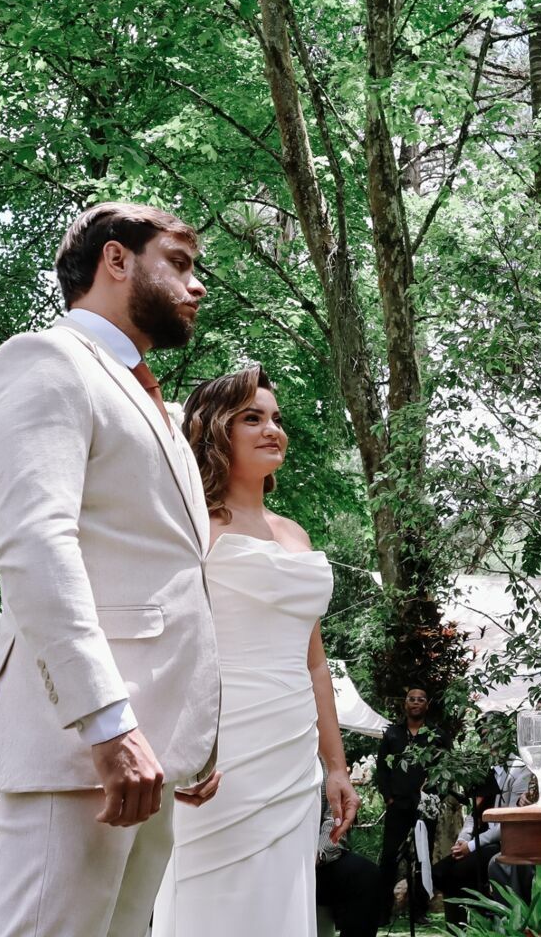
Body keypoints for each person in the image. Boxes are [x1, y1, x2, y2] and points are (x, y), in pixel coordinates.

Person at [0, 202, 223, 937]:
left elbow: (169, 576)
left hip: (151, 750)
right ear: (117, 260)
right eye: (178, 261)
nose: (196, 284)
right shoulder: (44, 361)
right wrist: (108, 726)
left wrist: (196, 733)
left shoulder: (154, 405)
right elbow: (35, 548)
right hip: (79, 745)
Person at [153, 365, 358, 935]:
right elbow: (172, 643)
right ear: (216, 429)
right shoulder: (191, 527)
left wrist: (335, 765)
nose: (273, 429)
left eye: (276, 418)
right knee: (214, 897)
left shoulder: (295, 533)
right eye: (253, 418)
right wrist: (183, 749)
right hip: (222, 742)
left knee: (281, 897)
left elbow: (314, 660)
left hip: (292, 752)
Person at [433, 754, 530, 923]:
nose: (487, 743)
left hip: (501, 842)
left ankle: (485, 914)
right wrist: (462, 840)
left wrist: (470, 847)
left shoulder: (520, 770)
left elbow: (511, 823)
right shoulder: (486, 769)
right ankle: (467, 922)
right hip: (480, 838)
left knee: (460, 872)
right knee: (439, 873)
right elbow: (474, 813)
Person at [373, 686, 441, 923]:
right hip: (398, 804)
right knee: (390, 857)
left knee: (424, 856)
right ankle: (383, 912)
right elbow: (382, 768)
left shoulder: (435, 734)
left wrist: (433, 792)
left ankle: (419, 911)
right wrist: (388, 796)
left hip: (425, 806)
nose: (415, 703)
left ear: (426, 704)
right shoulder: (392, 733)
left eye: (420, 699)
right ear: (405, 704)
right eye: (411, 699)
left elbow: (446, 767)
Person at [315, 800, 380, 937]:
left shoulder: (323, 779)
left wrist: (319, 854)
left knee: (365, 874)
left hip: (315, 860)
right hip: (266, 862)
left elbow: (332, 819)